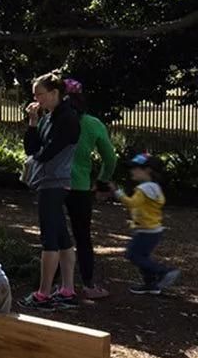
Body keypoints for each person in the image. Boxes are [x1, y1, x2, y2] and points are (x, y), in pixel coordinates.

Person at [20, 70, 81, 311]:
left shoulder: (67, 119)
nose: (36, 100)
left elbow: (46, 153)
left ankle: (43, 293)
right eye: (34, 95)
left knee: (50, 239)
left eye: (40, 94)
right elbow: (31, 147)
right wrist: (33, 122)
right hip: (49, 181)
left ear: (55, 93)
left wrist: (35, 157)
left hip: (55, 182)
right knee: (63, 238)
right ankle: (67, 289)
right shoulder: (48, 117)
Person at [64, 79, 117, 301]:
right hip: (80, 186)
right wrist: (103, 179)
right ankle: (88, 284)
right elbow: (110, 157)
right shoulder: (93, 124)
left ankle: (52, 283)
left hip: (54, 185)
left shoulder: (51, 120)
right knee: (83, 236)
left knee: (56, 235)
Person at [111, 153, 181, 295]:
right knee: (142, 256)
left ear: (148, 170)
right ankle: (150, 284)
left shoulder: (144, 189)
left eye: (136, 168)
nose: (132, 171)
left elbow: (132, 203)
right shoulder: (155, 187)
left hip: (146, 230)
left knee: (133, 255)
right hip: (153, 229)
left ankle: (164, 271)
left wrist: (116, 192)